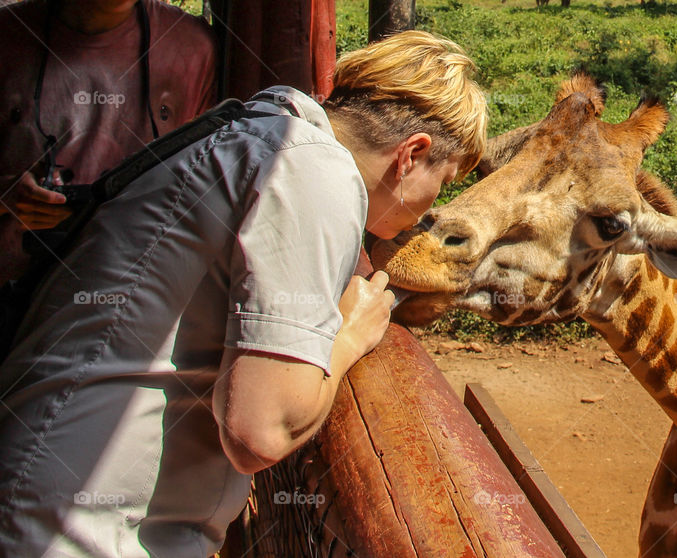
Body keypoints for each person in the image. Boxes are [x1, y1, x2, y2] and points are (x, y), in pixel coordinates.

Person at [0, 30, 487, 557]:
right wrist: (349, 336)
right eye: (448, 178)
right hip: (73, 533)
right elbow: (260, 431)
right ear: (411, 155)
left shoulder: (261, 131)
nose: (431, 206)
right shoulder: (315, 170)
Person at [0, 0, 217, 284]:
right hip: (16, 301)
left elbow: (213, 184)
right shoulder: (8, 36)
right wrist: (6, 195)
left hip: (138, 297)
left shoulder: (193, 47)